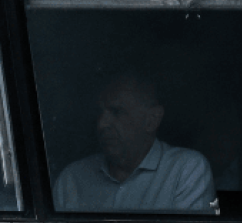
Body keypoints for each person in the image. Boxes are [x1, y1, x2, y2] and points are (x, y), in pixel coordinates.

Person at [53, 72, 215, 212]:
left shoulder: (185, 170)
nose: (102, 124)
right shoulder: (72, 179)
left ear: (151, 120)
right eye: (99, 112)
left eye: (116, 112)